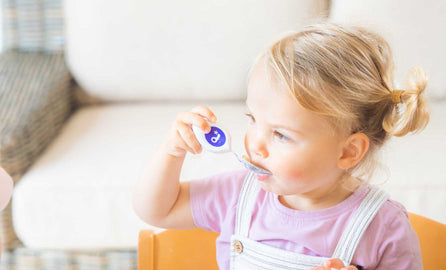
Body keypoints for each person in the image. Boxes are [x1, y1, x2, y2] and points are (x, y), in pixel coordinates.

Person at [133, 22, 429, 270]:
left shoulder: (383, 228)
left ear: (348, 152)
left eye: (281, 135)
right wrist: (172, 152)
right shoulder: (237, 195)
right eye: (252, 119)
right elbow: (159, 211)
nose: (255, 145)